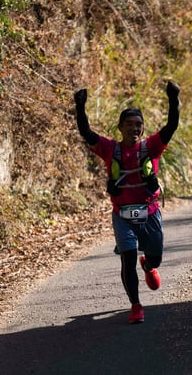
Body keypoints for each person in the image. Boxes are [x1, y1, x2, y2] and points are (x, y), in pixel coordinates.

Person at [74, 81, 179, 324]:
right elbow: (86, 133)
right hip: (122, 214)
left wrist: (173, 98)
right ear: (120, 127)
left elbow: (171, 125)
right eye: (129, 124)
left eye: (138, 125)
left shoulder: (151, 146)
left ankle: (149, 265)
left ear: (143, 129)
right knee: (127, 258)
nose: (134, 128)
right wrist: (80, 107)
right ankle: (135, 305)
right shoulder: (110, 149)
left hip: (150, 212)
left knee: (155, 258)